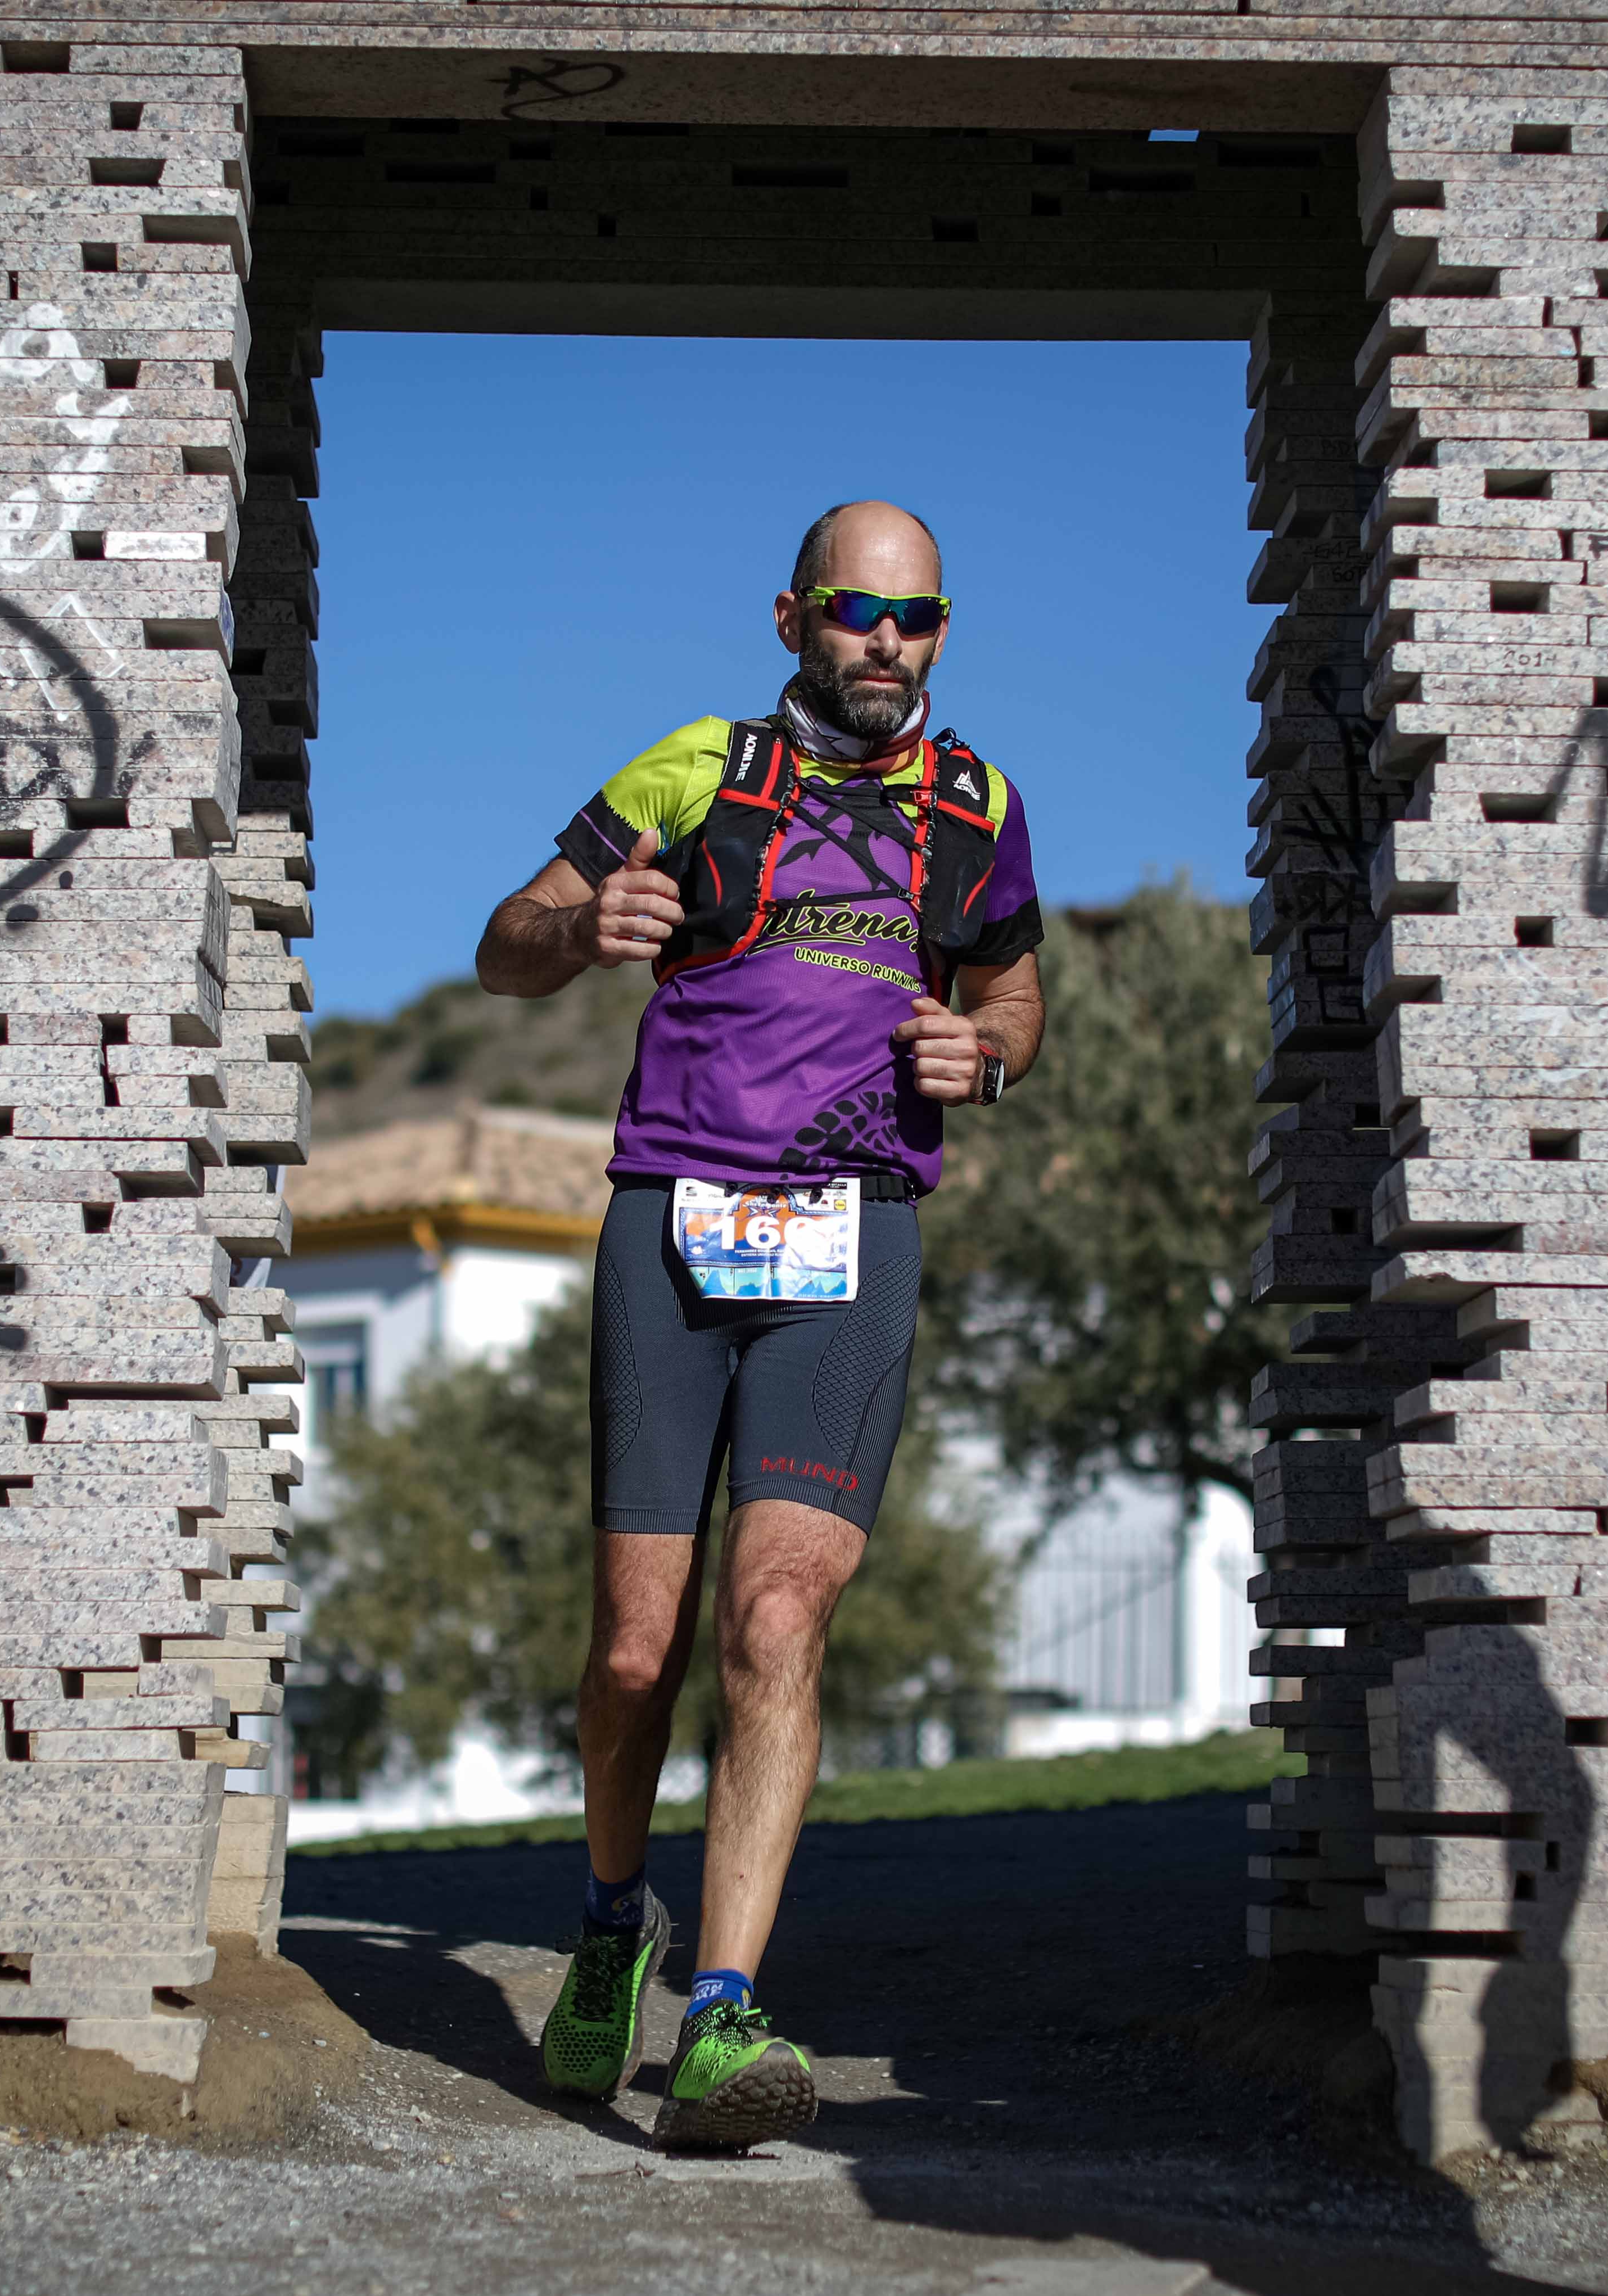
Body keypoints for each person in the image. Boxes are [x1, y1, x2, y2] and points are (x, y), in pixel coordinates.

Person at [473, 499, 1047, 2149]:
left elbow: (1015, 995)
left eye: (920, 617)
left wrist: (987, 1057)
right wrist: (586, 931)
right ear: (795, 616)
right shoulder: (694, 768)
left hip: (856, 1228)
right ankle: (607, 1925)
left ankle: (722, 2013)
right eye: (862, 612)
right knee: (639, 1648)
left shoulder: (981, 806)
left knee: (778, 1615)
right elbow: (503, 946)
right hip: (675, 1214)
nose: (890, 642)